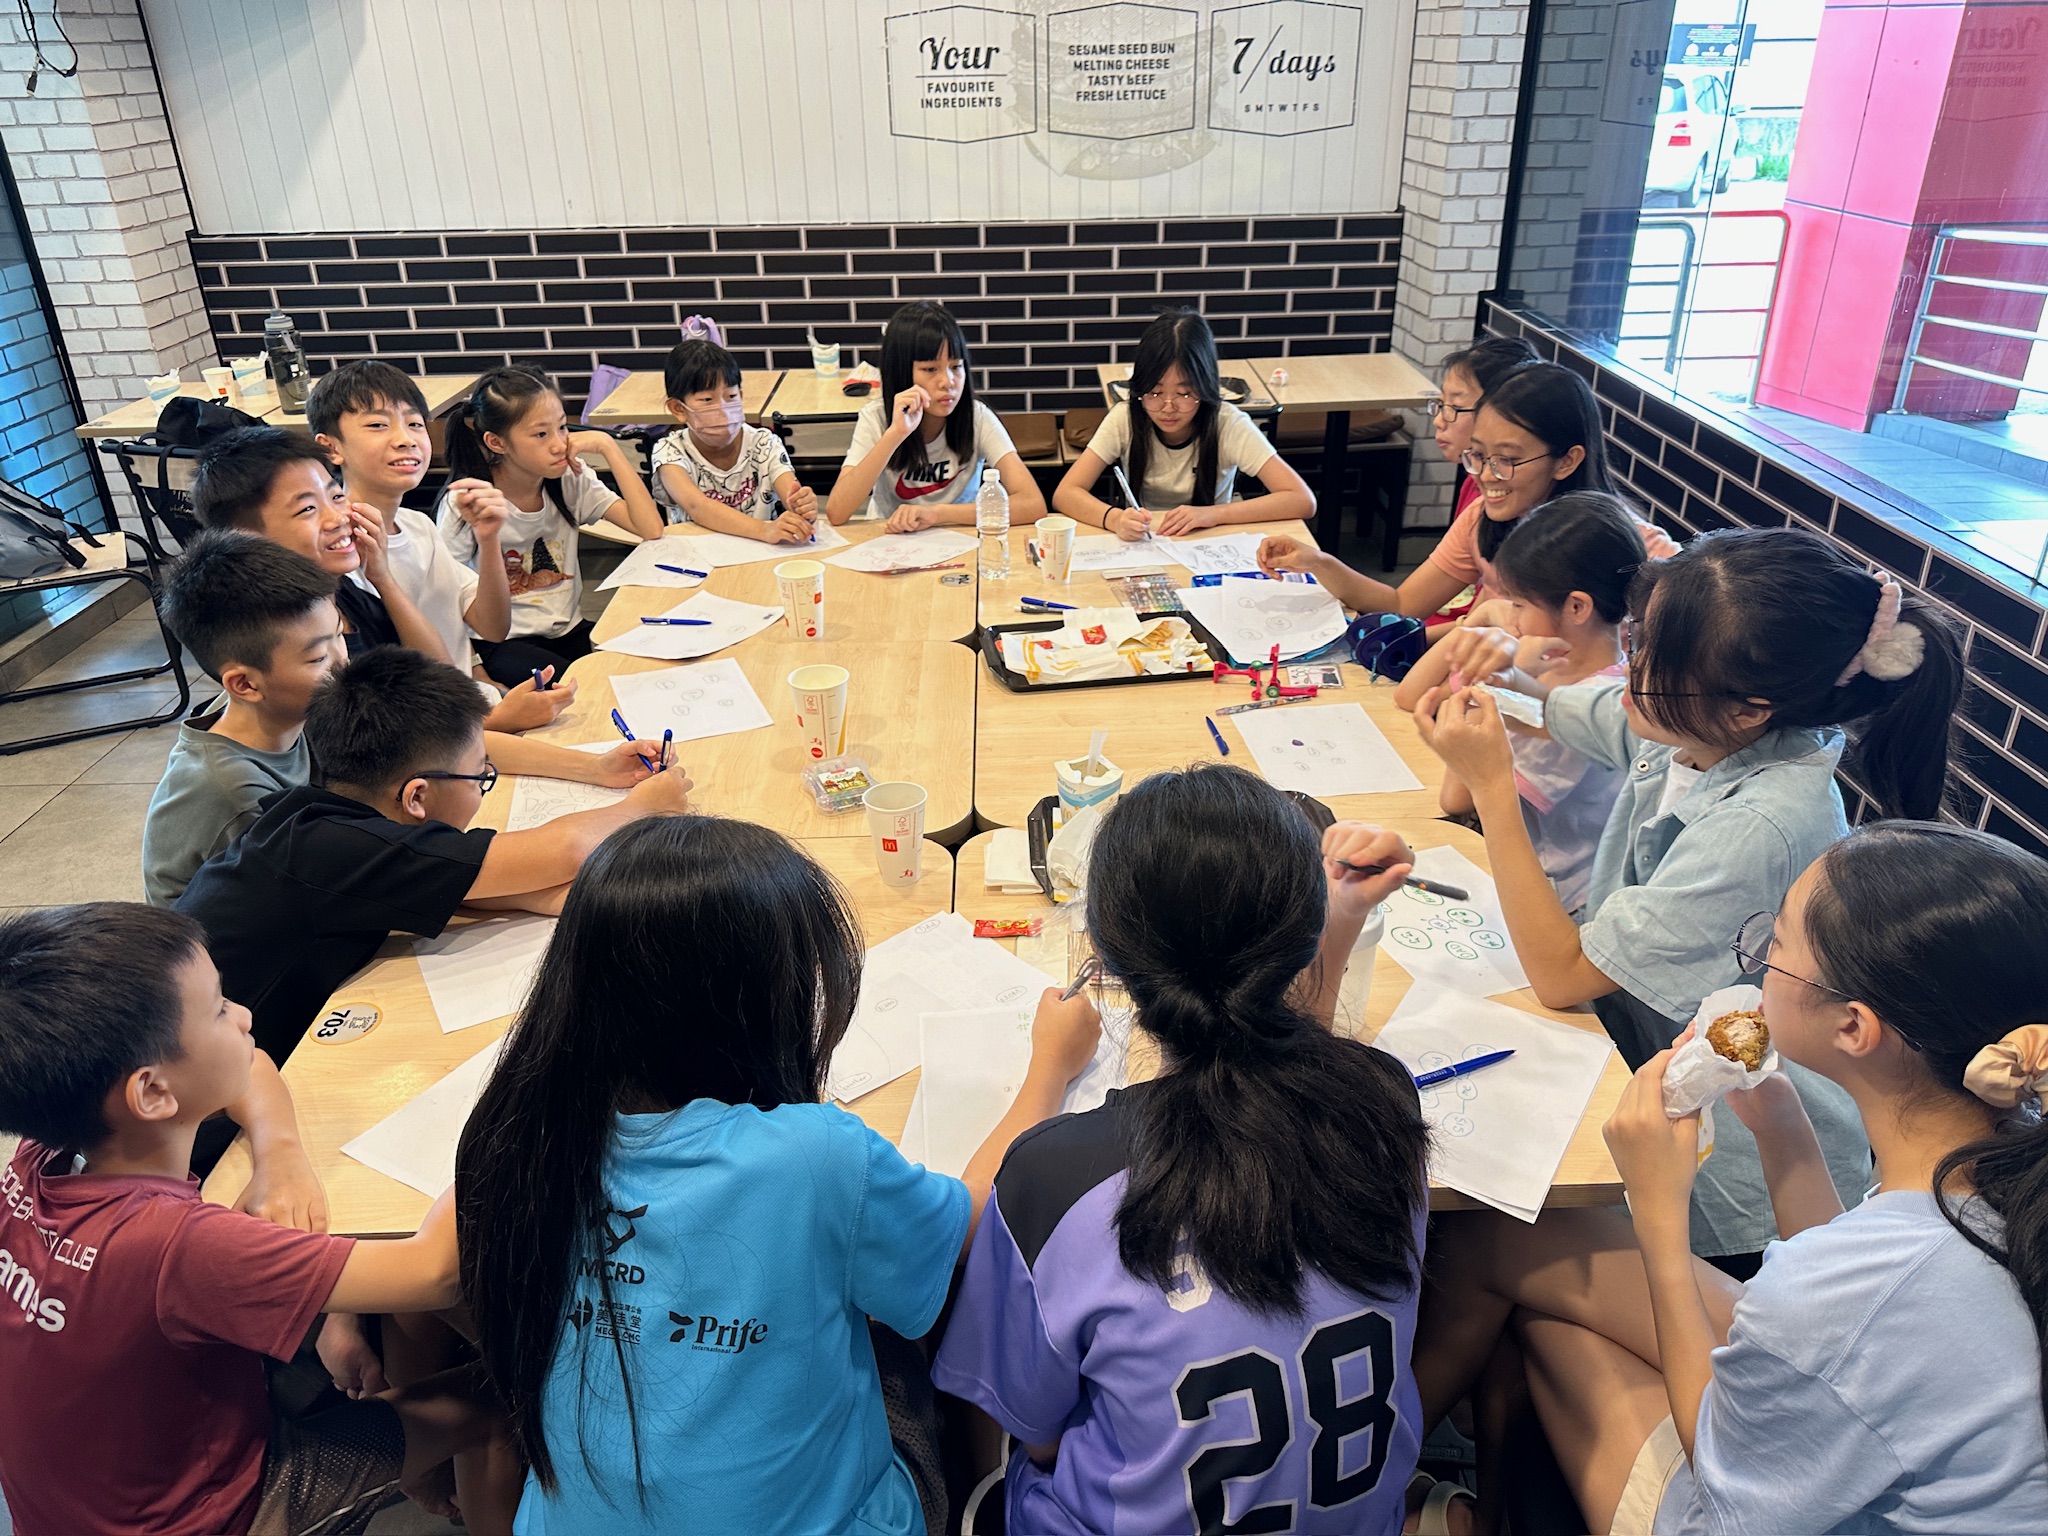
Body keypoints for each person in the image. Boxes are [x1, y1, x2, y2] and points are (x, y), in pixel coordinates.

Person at [454, 816, 1100, 1533]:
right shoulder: (815, 1157)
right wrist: (1050, 1066)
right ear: (751, 1006)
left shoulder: (518, 1133)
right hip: (836, 1519)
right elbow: (973, 1220)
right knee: (922, 1323)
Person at [1411, 823, 2048, 1534]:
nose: (1760, 965)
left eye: (1775, 945)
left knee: (1548, 1319)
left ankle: (1397, 1497)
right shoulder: (1993, 1161)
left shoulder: (1872, 1285)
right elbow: (1844, 1292)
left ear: (1853, 1027)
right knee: (1511, 1239)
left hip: (1735, 1509)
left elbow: (1723, 1479)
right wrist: (1779, 1124)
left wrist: (1657, 1210)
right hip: (1854, 1401)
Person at [1413, 527, 1963, 1268]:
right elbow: (1595, 712)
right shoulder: (1701, 729)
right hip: (1644, 1072)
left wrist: (1491, 785)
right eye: (1637, 641)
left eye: (1649, 660)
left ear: (1748, 709)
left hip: (1737, 1173)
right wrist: (1516, 681)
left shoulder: (1760, 824)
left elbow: (1564, 974)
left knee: (1480, 1248)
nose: (1629, 669)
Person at [933, 766, 1432, 1536]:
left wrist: (1048, 1068)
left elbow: (1039, 1438)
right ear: (1303, 941)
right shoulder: (1387, 1105)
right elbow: (1299, 1072)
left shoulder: (1055, 1181)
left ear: (1104, 959)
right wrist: (1333, 929)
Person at [0, 903, 518, 1535]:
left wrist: (281, 1153)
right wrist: (517, 1109)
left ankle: (416, 1463)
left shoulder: (45, 1154)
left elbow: (252, 1067)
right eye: (220, 1009)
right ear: (153, 1093)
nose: (245, 1015)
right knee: (500, 1399)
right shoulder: (176, 1246)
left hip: (76, 1502)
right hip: (205, 1519)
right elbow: (434, 1273)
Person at [175, 646, 689, 1065]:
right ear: (417, 797)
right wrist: (644, 807)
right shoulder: (340, 848)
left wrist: (534, 892)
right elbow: (570, 849)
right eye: (481, 777)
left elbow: (433, 884)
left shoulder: (329, 815)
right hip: (212, 1090)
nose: (483, 783)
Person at [1392, 491, 1645, 914]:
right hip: (1528, 873)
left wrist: (1490, 686)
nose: (1510, 617)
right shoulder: (1554, 667)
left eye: (1519, 604)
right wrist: (1480, 623)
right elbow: (1409, 694)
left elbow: (1457, 800)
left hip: (1555, 901)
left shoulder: (1578, 706)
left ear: (1576, 607)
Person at [1259, 362, 1672, 616]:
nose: (1486, 476)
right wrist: (1318, 561)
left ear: (1567, 460)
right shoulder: (1483, 521)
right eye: (1477, 455)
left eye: (1506, 459)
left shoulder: (1638, 549)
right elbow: (1403, 604)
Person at [307, 361, 567, 734]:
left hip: (467, 709)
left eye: (414, 423)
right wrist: (494, 718)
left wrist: (488, 539)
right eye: (378, 425)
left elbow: (492, 627)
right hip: (436, 729)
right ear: (331, 448)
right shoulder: (342, 553)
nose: (405, 438)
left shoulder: (420, 527)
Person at [144, 531, 342, 907]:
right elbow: (309, 896)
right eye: (318, 658)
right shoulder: (237, 791)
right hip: (217, 934)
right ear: (245, 684)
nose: (342, 661)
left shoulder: (273, 708)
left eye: (339, 635)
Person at [436, 367, 665, 686]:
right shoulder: (471, 501)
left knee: (639, 670)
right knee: (589, 688)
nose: (559, 444)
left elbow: (650, 527)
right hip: (502, 644)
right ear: (497, 442)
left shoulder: (569, 478)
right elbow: (443, 598)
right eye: (541, 434)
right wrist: (475, 670)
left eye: (562, 427)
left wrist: (608, 446)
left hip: (568, 630)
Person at [1052, 308, 1315, 538]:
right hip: (1144, 540)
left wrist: (1213, 514)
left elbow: (1301, 499)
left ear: (1205, 387)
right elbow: (1066, 493)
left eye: (1184, 393)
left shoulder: (1228, 423)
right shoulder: (1126, 417)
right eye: (1155, 392)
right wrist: (1115, 518)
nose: (1168, 407)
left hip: (1210, 540)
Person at [192, 425, 446, 661]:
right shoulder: (290, 641)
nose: (338, 518)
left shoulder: (342, 589)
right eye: (308, 509)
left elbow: (440, 674)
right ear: (246, 536)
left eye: (336, 496)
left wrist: (382, 578)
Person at [826, 299, 1047, 530]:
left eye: (956, 366)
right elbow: (837, 512)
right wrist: (896, 433)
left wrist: (938, 514)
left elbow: (1033, 504)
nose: (948, 382)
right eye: (930, 369)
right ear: (902, 373)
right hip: (889, 536)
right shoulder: (877, 417)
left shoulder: (977, 418)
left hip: (959, 536)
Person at [650, 337, 820, 541]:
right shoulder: (669, 452)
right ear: (678, 408)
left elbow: (790, 491)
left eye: (731, 397)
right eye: (707, 400)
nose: (723, 410)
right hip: (700, 554)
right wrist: (763, 530)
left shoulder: (764, 443)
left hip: (763, 552)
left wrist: (801, 505)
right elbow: (697, 507)